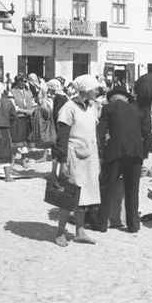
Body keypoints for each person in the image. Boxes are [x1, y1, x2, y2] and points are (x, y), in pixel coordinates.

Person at [51, 75, 101, 247]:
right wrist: (62, 162)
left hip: (89, 157)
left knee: (85, 196)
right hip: (74, 157)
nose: (97, 91)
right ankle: (60, 232)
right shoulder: (69, 107)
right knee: (70, 195)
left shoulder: (91, 107)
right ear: (86, 90)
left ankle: (80, 231)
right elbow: (62, 137)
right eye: (95, 89)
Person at [97, 85, 152, 233]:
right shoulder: (137, 111)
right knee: (132, 191)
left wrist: (101, 152)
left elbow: (100, 133)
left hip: (115, 152)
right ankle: (133, 225)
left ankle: (101, 224)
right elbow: (147, 134)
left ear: (111, 98)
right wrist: (144, 153)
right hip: (136, 154)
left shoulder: (108, 109)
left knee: (107, 188)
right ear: (126, 97)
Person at [10, 74, 36, 157]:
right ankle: (13, 159)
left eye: (24, 81)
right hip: (18, 118)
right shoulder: (12, 91)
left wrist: (32, 110)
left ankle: (24, 158)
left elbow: (33, 103)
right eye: (21, 81)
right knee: (17, 139)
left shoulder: (29, 91)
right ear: (17, 82)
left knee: (26, 140)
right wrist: (25, 111)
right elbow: (13, 106)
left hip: (28, 118)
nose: (23, 83)